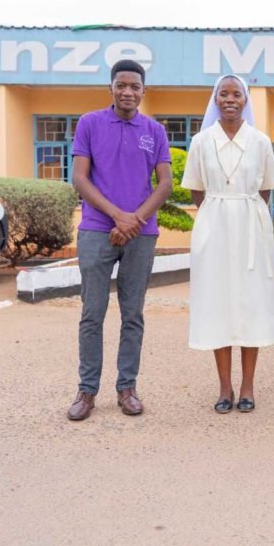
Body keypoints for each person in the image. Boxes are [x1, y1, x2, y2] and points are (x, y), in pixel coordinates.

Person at [67, 59, 173, 421]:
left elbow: (165, 184)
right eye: (121, 85)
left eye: (135, 87)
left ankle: (127, 388)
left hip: (140, 234)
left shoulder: (155, 130)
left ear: (144, 91)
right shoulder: (90, 123)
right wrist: (117, 216)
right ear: (110, 88)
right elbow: (80, 178)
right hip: (97, 230)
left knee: (133, 314)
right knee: (92, 314)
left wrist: (133, 221)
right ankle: (87, 391)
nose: (128, 92)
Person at [182, 74, 274, 413]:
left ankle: (248, 386)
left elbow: (265, 190)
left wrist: (242, 210)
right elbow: (196, 189)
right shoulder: (201, 141)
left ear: (245, 100)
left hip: (251, 225)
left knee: (251, 303)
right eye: (223, 94)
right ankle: (225, 388)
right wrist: (219, 210)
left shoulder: (260, 141)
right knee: (218, 303)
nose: (229, 99)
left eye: (236, 94)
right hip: (214, 226)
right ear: (215, 99)